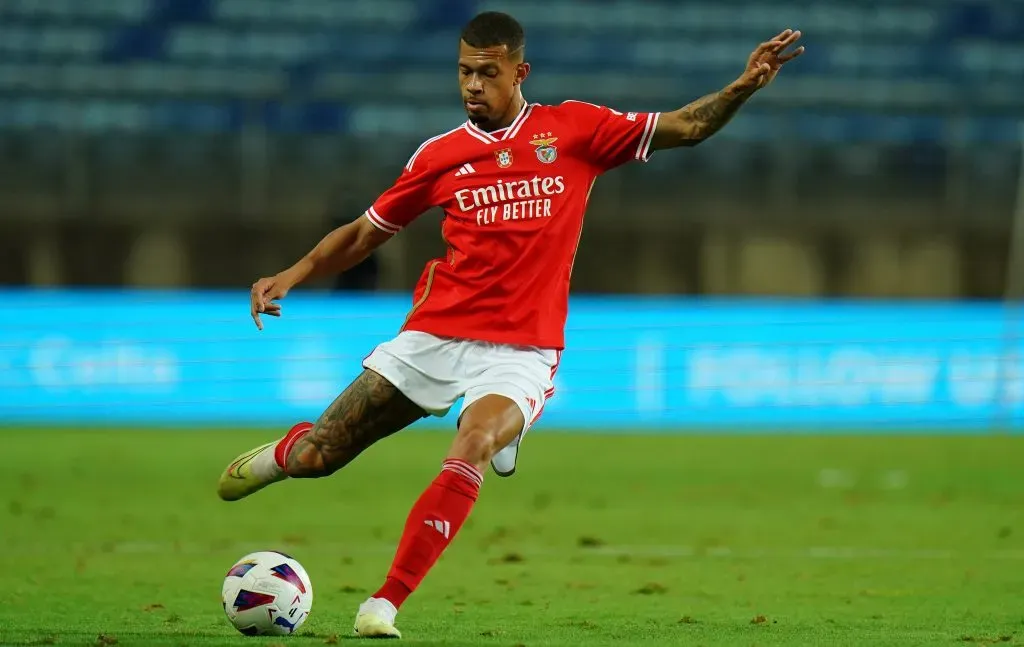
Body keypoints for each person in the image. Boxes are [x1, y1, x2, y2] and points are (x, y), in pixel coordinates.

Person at [217, 11, 803, 639]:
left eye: (487, 73)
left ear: (519, 72)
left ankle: (384, 603)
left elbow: (685, 127)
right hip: (435, 336)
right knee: (320, 455)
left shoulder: (574, 129)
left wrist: (743, 85)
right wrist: (291, 274)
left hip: (522, 350)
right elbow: (366, 233)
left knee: (473, 440)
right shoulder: (440, 155)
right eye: (465, 72)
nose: (473, 85)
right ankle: (285, 455)